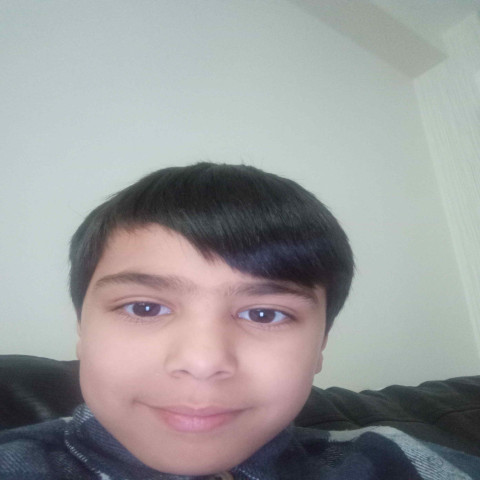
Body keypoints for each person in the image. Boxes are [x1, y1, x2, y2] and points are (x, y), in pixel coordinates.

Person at [0, 162, 479, 479]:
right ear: (82, 330)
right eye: (144, 307)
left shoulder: (396, 461)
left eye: (264, 313)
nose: (203, 360)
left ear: (320, 345)